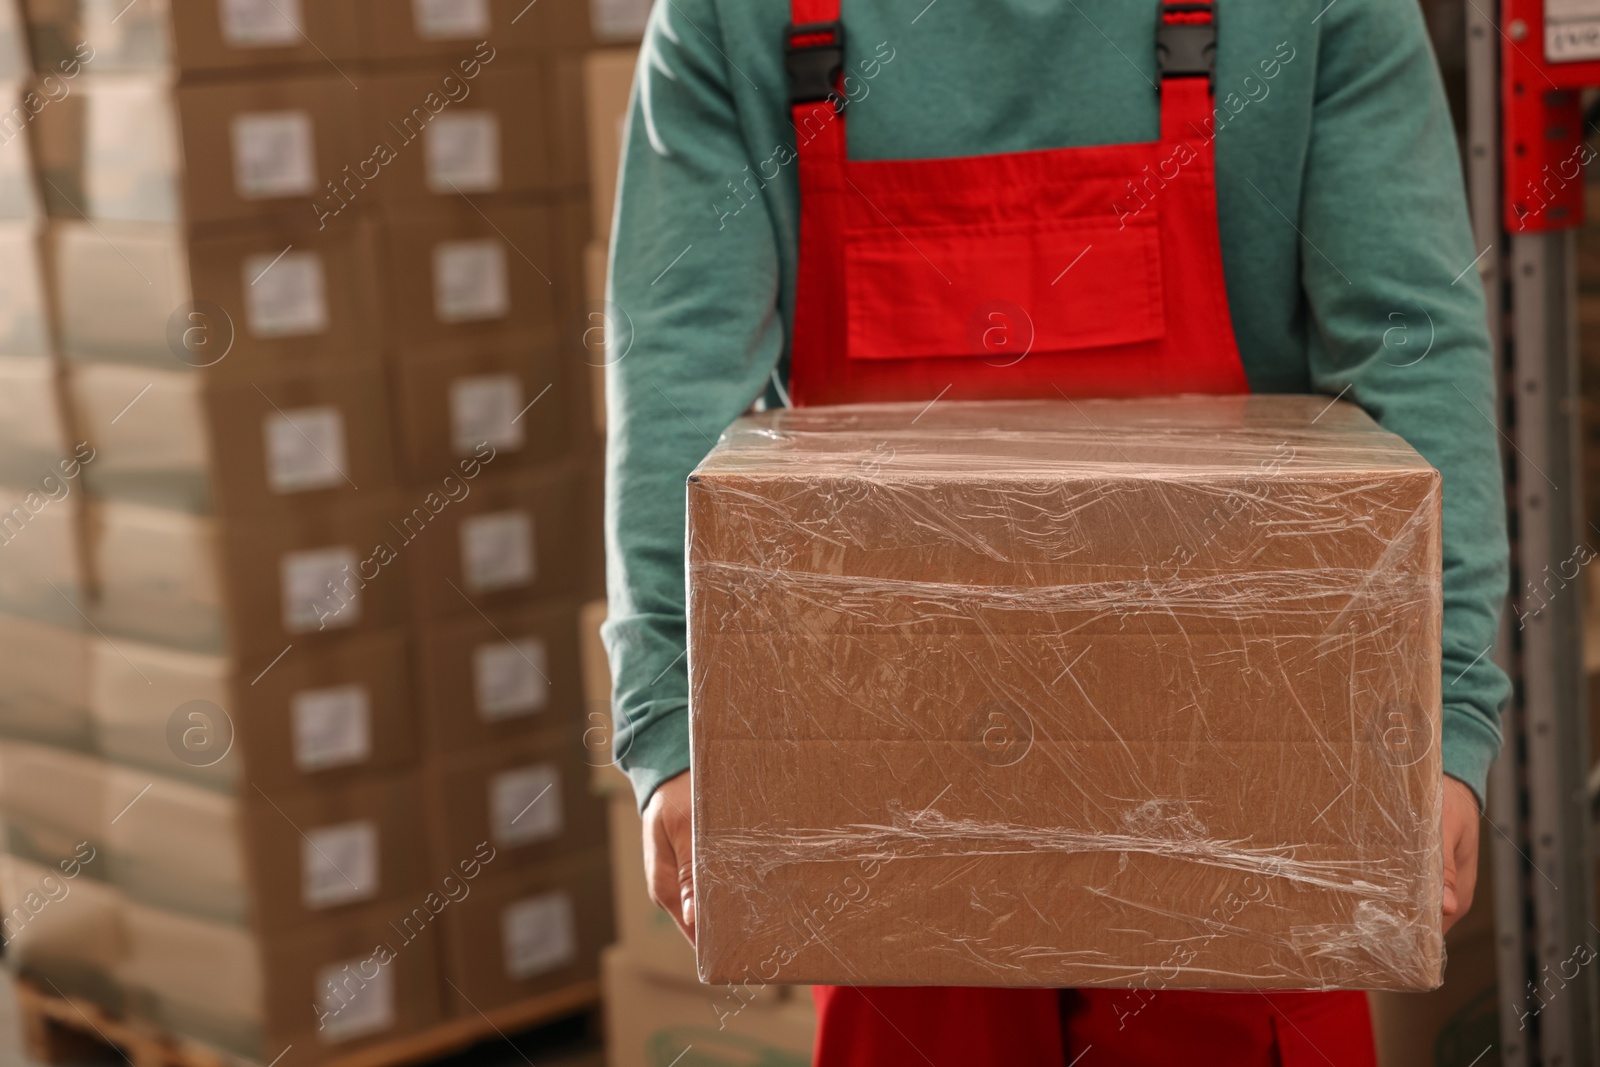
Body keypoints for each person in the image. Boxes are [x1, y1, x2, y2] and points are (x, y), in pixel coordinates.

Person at [600, 1, 1508, 1063]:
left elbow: (1410, 341)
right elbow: (674, 361)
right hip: (888, 790)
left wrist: (1441, 717)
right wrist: (672, 722)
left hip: (1255, 781)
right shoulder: (738, 14)